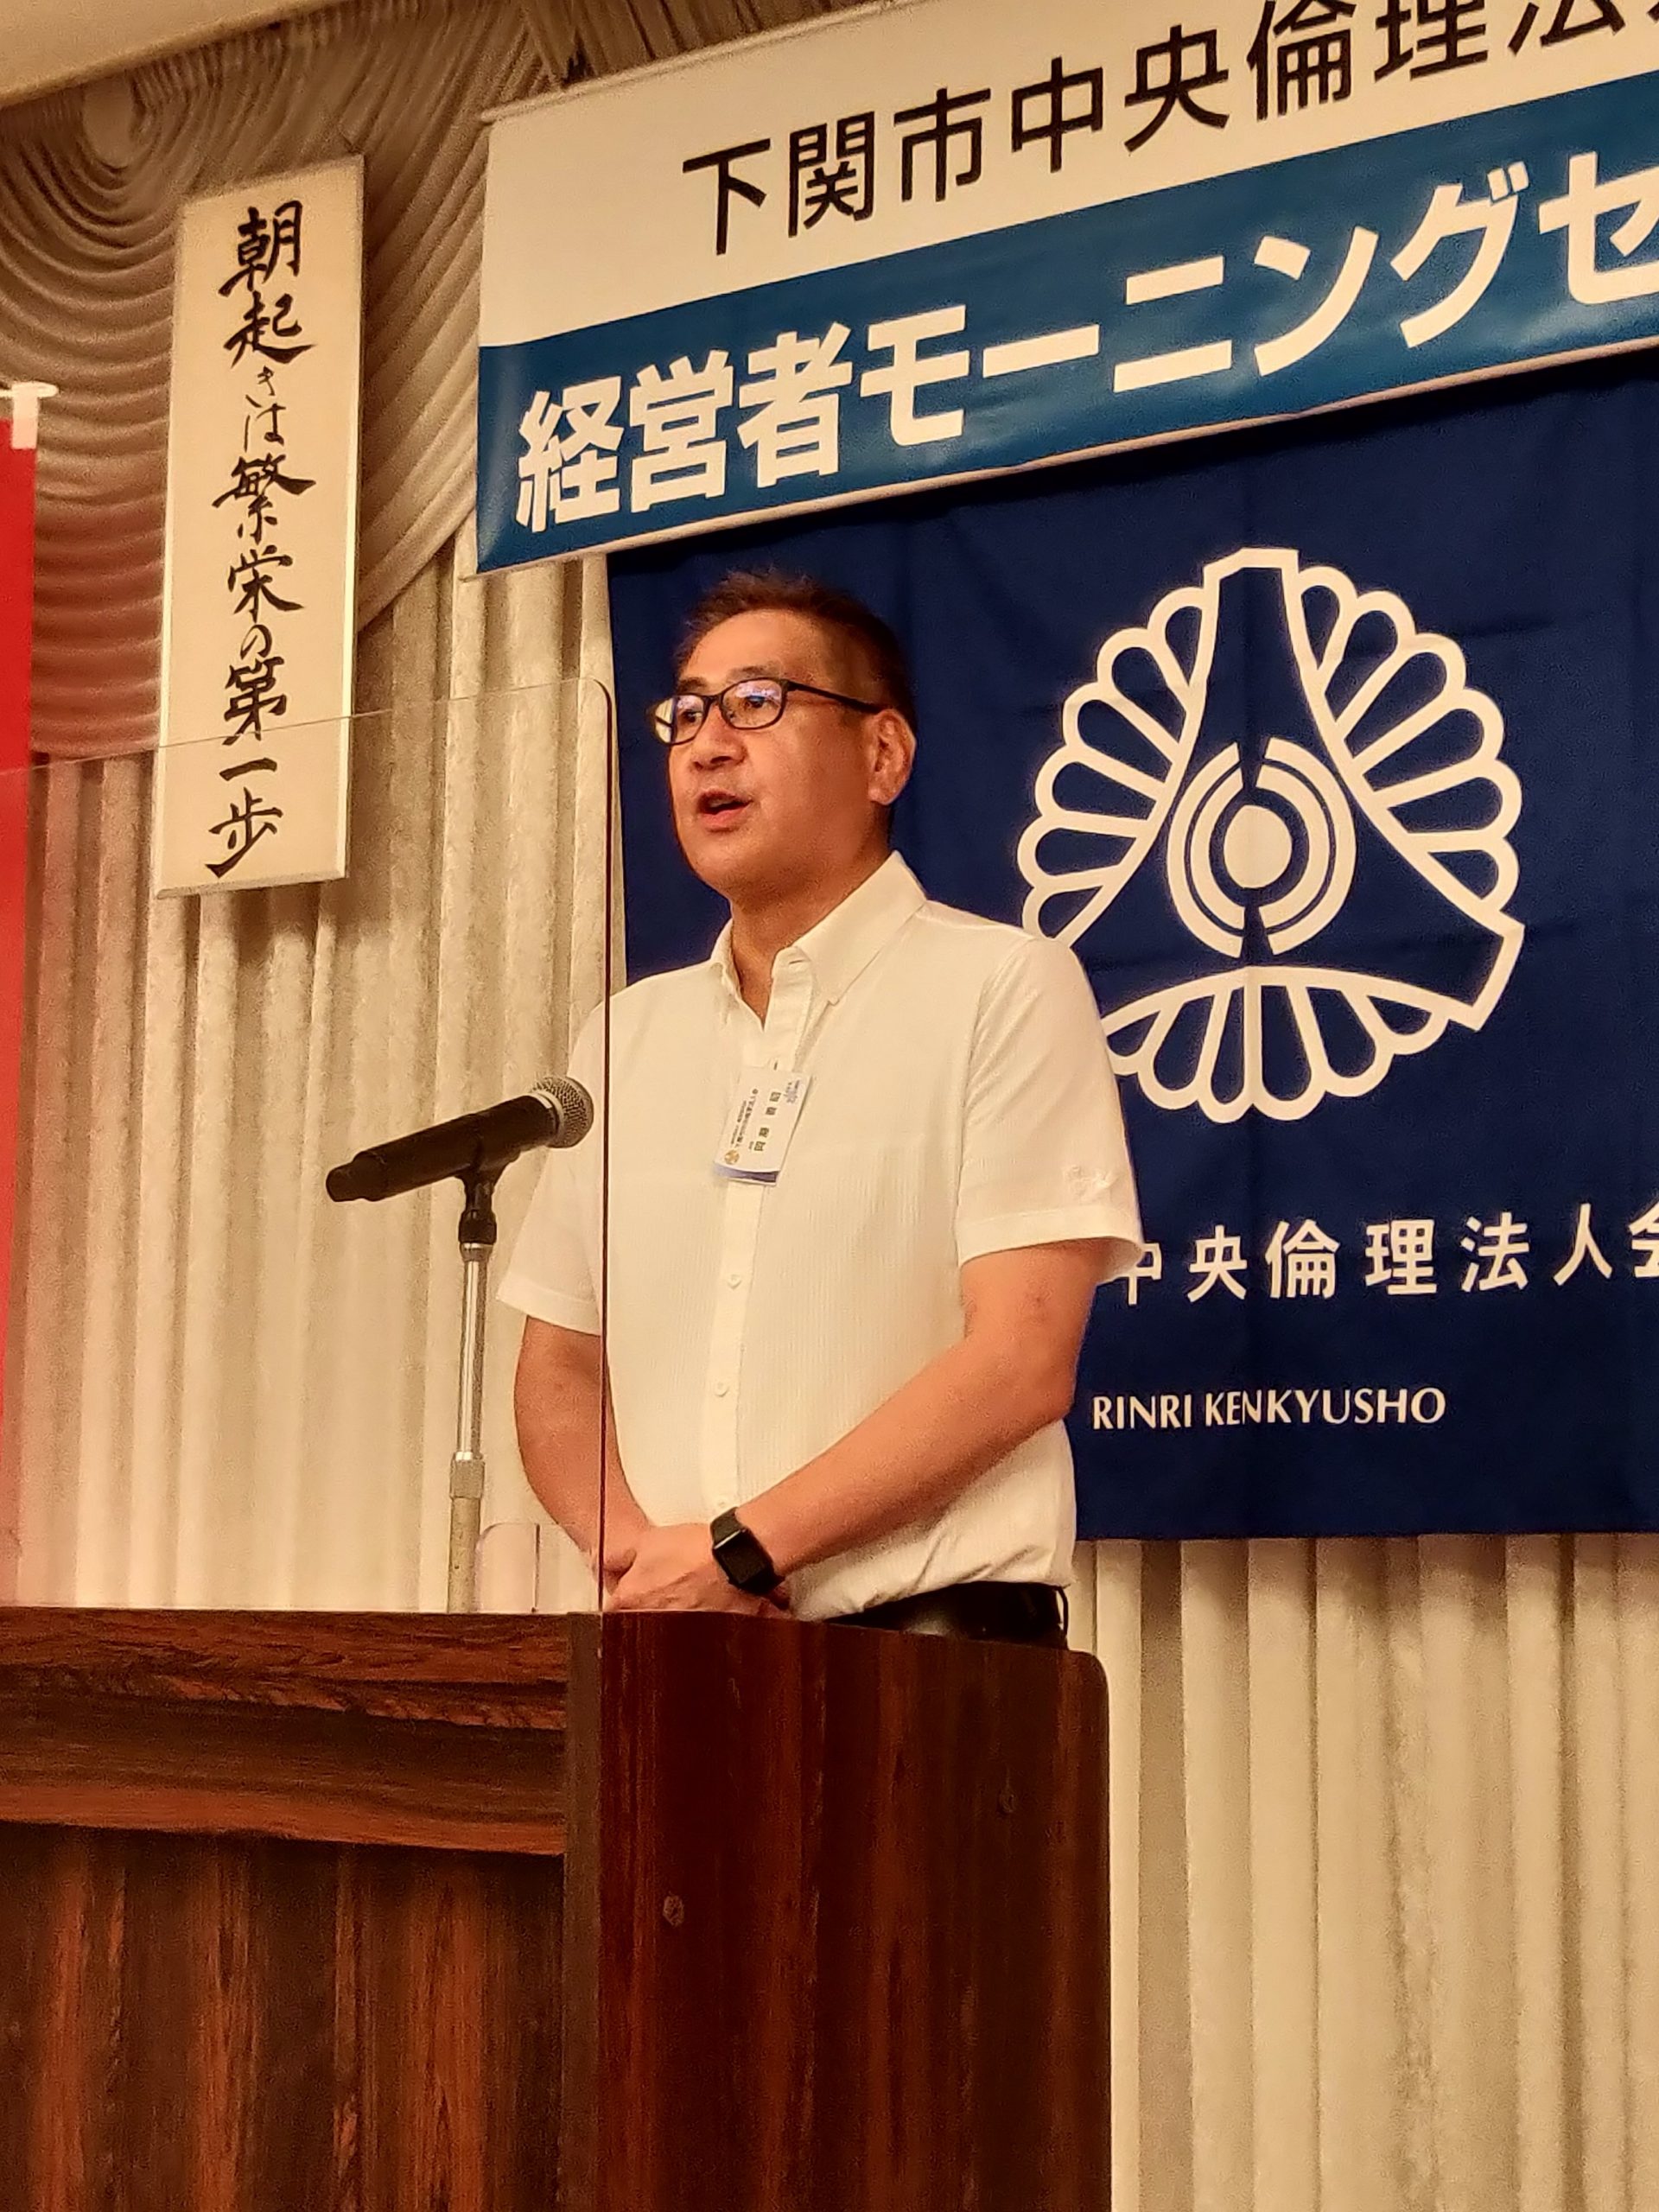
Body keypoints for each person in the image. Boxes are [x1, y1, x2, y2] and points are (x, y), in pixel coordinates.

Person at [498, 569, 1142, 1643]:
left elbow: (1022, 1358)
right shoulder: (625, 1038)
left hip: (929, 1653)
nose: (707, 746)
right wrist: (648, 1563)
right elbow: (560, 1360)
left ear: (882, 754)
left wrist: (742, 1551)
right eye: (686, 713)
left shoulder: (1002, 987)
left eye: (757, 703)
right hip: (673, 1646)